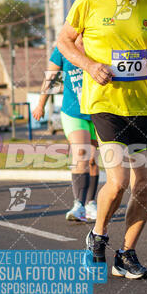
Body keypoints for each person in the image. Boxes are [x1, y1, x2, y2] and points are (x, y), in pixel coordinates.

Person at [57, 0, 147, 279]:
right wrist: (91, 66)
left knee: (145, 185)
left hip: (144, 106)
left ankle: (126, 254)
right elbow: (64, 41)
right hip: (104, 103)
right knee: (119, 179)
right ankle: (98, 233)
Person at [33, 35, 99, 222]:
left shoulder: (98, 44)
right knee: (81, 154)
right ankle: (78, 204)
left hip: (96, 111)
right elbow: (51, 78)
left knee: (93, 159)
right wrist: (41, 104)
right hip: (73, 112)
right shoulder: (62, 49)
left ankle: (90, 203)